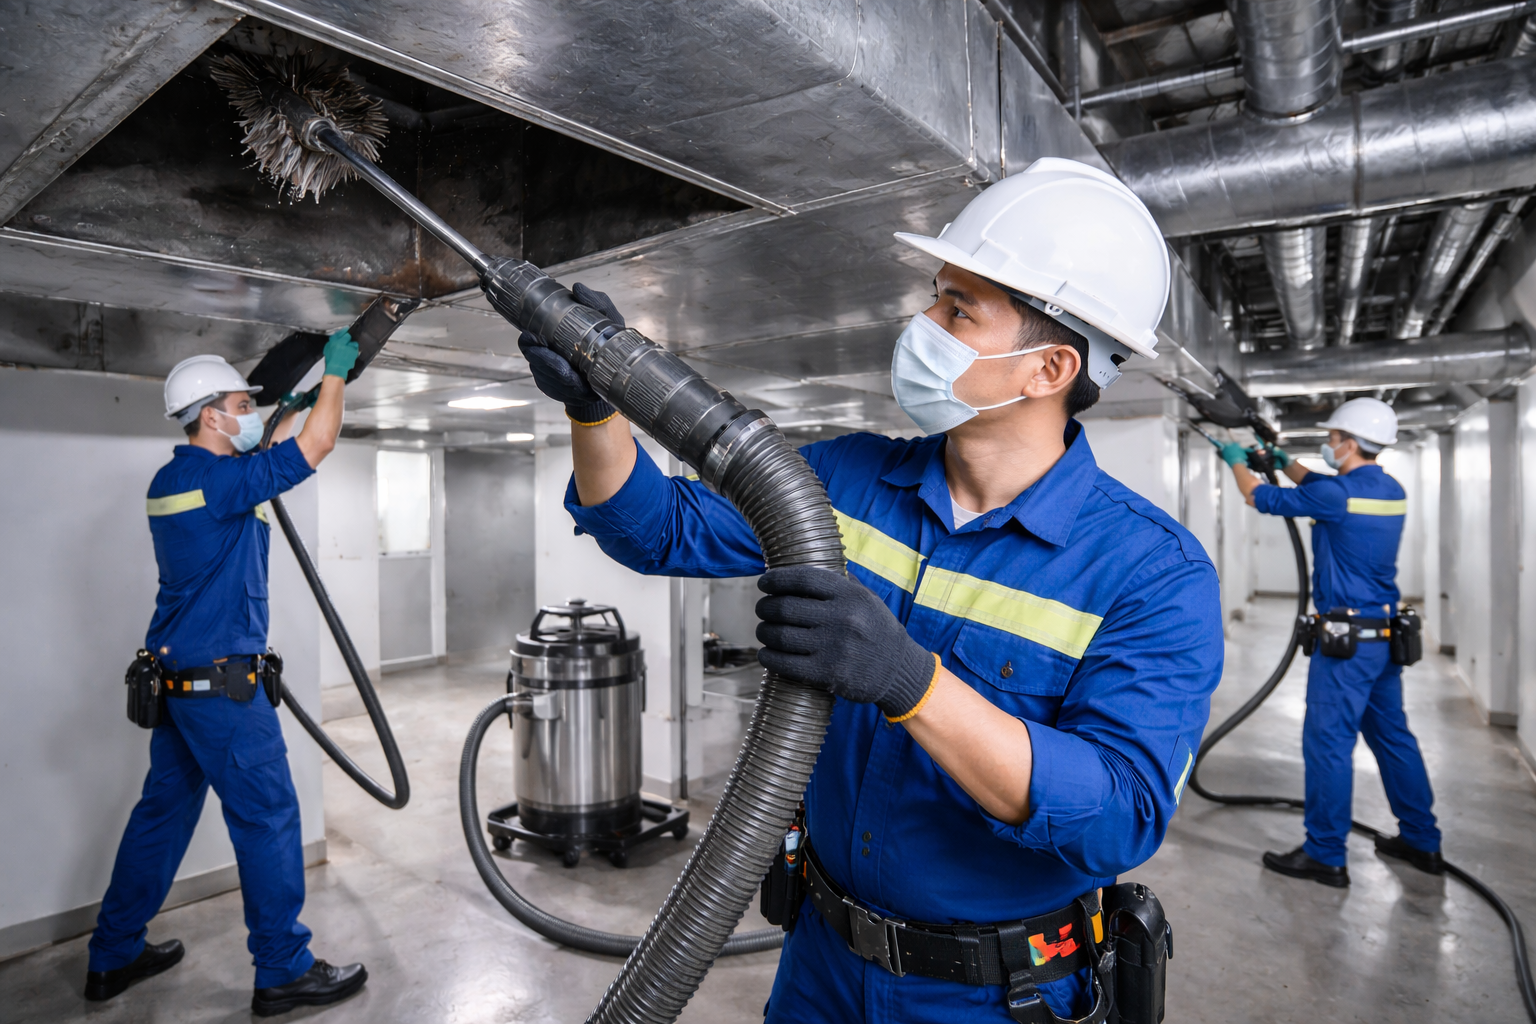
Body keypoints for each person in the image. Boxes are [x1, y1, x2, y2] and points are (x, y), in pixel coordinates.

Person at [519, 158, 1225, 1023]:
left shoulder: (1153, 573)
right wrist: (596, 410)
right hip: (820, 961)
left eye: (958, 310)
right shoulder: (847, 479)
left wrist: (912, 684)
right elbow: (655, 528)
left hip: (995, 997)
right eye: (936, 297)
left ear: (1048, 368)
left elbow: (1118, 817)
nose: (921, 324)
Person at [85, 334, 369, 1017]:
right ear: (211, 416)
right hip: (222, 691)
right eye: (242, 406)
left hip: (177, 683)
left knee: (161, 816)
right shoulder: (220, 484)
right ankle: (283, 970)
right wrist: (334, 377)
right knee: (267, 817)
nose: (250, 415)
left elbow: (268, 453)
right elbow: (316, 448)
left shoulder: (175, 482)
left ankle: (113, 952)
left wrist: (292, 405)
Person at [1220, 398, 1442, 887]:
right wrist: (1286, 463)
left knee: (1328, 744)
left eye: (1334, 437)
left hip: (1345, 647)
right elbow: (1325, 489)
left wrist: (1236, 461)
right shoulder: (1390, 490)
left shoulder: (1336, 496)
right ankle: (1422, 840)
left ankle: (1324, 854)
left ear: (1350, 443)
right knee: (1393, 738)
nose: (1329, 443)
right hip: (1384, 639)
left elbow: (1258, 497)